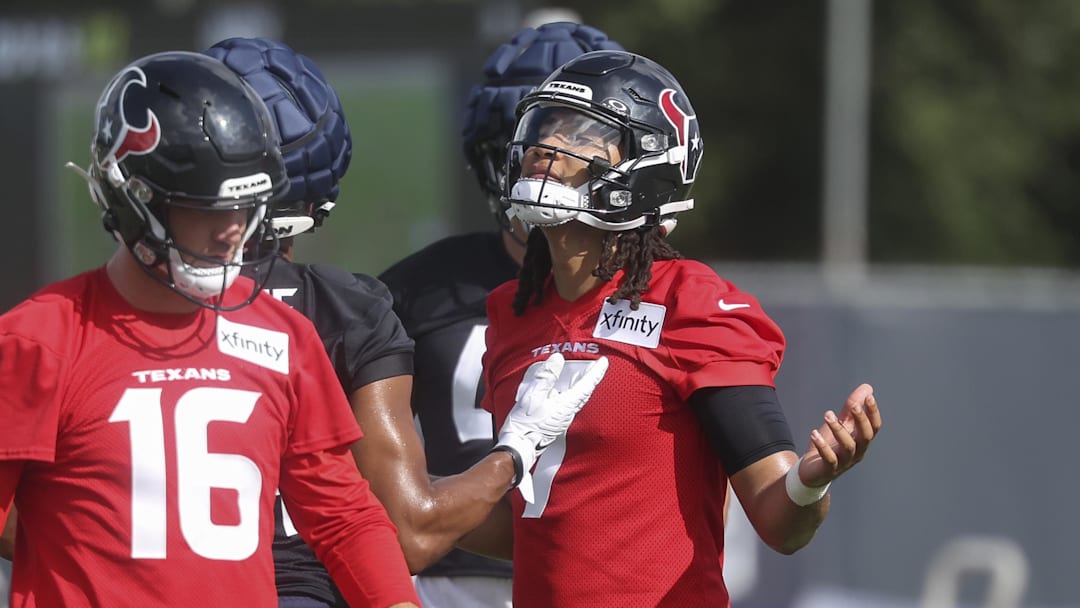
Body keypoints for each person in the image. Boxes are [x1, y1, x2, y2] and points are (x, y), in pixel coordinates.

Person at [0, 50, 419, 607]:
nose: (232, 232)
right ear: (134, 197)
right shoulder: (38, 341)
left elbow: (342, 515)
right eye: (208, 208)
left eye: (245, 208)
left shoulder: (285, 337)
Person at [202, 37, 607, 607]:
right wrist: (514, 454)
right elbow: (404, 527)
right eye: (526, 148)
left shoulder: (85, 316)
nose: (546, 169)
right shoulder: (359, 305)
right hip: (423, 578)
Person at [480, 49, 885, 607]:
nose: (546, 148)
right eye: (545, 128)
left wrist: (811, 480)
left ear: (646, 164)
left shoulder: (690, 303)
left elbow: (779, 521)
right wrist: (393, 510)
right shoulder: (511, 311)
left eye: (581, 134)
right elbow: (528, 519)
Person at [378, 22, 623, 607]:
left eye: (578, 150)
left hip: (605, 573)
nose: (546, 171)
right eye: (528, 149)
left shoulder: (669, 292)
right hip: (449, 579)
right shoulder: (415, 289)